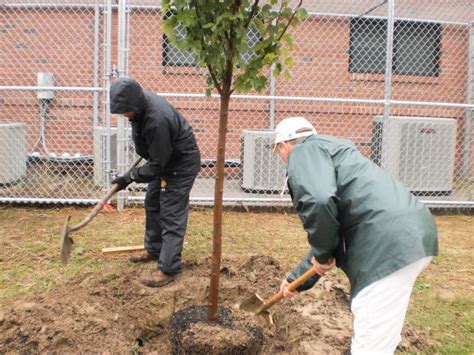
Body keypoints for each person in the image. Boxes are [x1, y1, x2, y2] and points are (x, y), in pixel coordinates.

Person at [273, 117, 438, 354]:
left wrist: (321, 254)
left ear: (286, 145)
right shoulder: (334, 155)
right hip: (409, 234)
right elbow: (330, 231)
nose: (283, 158)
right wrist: (296, 280)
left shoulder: (303, 152)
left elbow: (318, 201)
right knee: (380, 332)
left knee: (370, 340)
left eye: (279, 152)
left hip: (385, 244)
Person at [109, 77, 201, 288]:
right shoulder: (139, 105)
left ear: (134, 104)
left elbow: (159, 164)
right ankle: (154, 249)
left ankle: (169, 269)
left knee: (171, 214)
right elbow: (157, 157)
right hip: (163, 158)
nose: (124, 115)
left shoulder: (156, 119)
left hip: (180, 164)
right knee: (153, 202)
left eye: (125, 111)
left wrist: (130, 177)